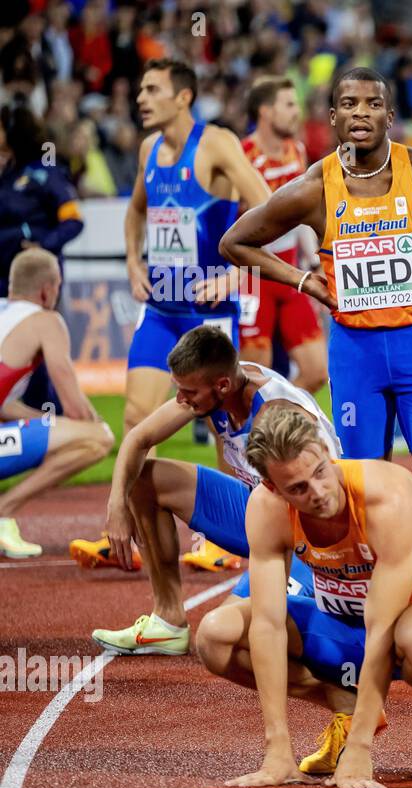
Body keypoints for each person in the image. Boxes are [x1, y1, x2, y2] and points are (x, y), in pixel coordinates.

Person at [220, 67, 412, 685]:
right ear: (332, 118)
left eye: (373, 103)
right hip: (355, 354)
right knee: (355, 495)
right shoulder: (314, 188)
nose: (360, 112)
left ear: (389, 114)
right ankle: (362, 629)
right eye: (347, 103)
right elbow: (236, 242)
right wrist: (304, 281)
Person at [69, 58, 272, 570]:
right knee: (139, 416)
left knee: (229, 432)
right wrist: (133, 262)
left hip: (206, 316)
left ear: (183, 97)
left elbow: (270, 208)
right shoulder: (147, 149)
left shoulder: (218, 143)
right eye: (139, 88)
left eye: (152, 88)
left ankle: (234, 533)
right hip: (161, 308)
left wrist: (236, 276)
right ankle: (136, 533)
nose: (140, 97)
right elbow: (136, 210)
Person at [222, 406, 412, 788]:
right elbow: (268, 624)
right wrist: (277, 749)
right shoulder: (266, 508)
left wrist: (360, 750)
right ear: (274, 489)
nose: (319, 493)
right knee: (218, 635)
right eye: (298, 489)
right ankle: (343, 705)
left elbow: (383, 628)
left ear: (327, 450)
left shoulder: (385, 497)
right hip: (346, 626)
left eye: (320, 473)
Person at [81, 325, 339, 655]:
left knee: (232, 636)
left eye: (188, 391)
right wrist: (116, 506)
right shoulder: (215, 389)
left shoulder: (275, 416)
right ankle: (168, 622)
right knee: (143, 480)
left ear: (222, 386)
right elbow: (136, 440)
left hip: (311, 530)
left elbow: (319, 499)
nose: (180, 399)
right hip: (262, 507)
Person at [0, 248, 112, 557]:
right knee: (98, 439)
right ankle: (3, 510)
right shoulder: (46, 320)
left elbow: (5, 407)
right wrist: (90, 424)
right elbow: (76, 409)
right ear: (48, 289)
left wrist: (47, 427)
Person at [238, 75, 327, 394]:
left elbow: (302, 216)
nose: (296, 112)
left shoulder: (296, 151)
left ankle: (274, 419)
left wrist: (315, 260)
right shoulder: (241, 156)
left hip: (290, 272)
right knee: (250, 378)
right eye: (288, 105)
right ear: (265, 111)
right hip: (252, 274)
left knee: (317, 371)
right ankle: (242, 437)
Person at [0, 102, 84, 416]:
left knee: (39, 358)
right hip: (4, 279)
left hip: (35, 283)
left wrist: (41, 246)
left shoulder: (46, 173)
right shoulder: (7, 172)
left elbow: (74, 219)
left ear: (14, 131)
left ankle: (56, 420)